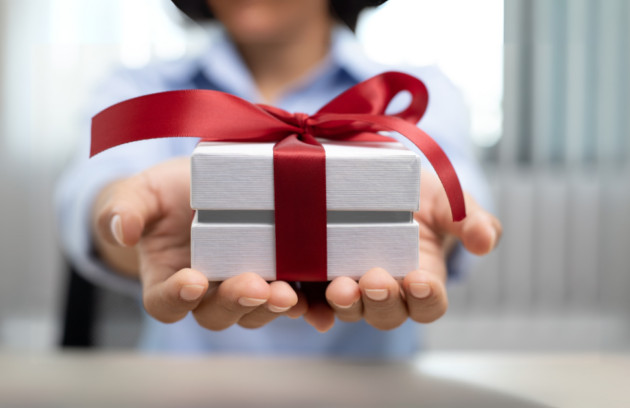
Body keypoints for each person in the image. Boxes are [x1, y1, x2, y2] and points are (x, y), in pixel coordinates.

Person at [56, 0, 502, 356]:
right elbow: (94, 192)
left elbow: (455, 197)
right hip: (186, 387)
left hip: (371, 387)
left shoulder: (409, 91)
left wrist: (431, 228)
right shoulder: (142, 88)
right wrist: (125, 214)